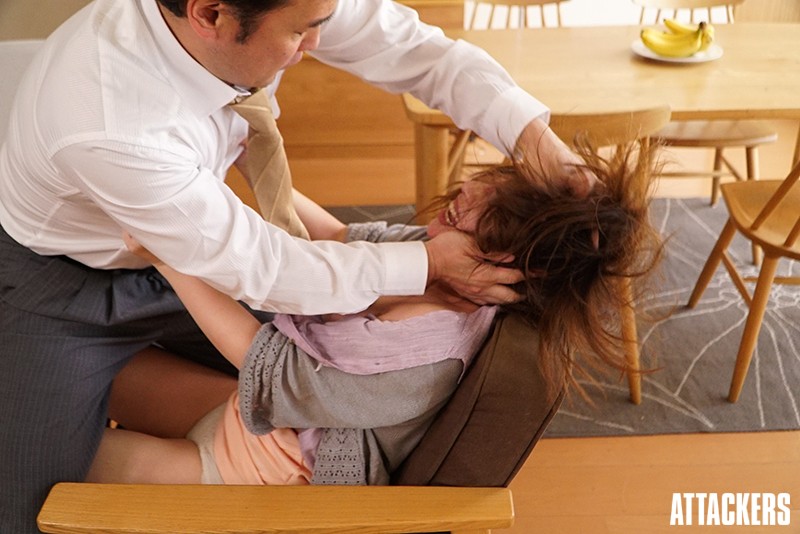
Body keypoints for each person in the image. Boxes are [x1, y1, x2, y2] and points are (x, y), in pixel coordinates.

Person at [0, 0, 595, 529]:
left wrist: (536, 140)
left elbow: (421, 54)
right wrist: (425, 263)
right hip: (67, 281)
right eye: (301, 31)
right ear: (210, 15)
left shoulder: (418, 350)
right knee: (27, 504)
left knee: (81, 470)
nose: (317, 43)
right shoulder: (108, 121)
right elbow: (270, 267)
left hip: (199, 275)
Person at [85, 140, 663, 487]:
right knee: (84, 375)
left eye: (484, 212)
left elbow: (269, 364)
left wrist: (172, 258)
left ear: (513, 264)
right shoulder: (446, 258)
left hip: (274, 470)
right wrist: (249, 159)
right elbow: (339, 240)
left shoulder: (423, 359)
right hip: (252, 415)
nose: (465, 192)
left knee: (65, 460)